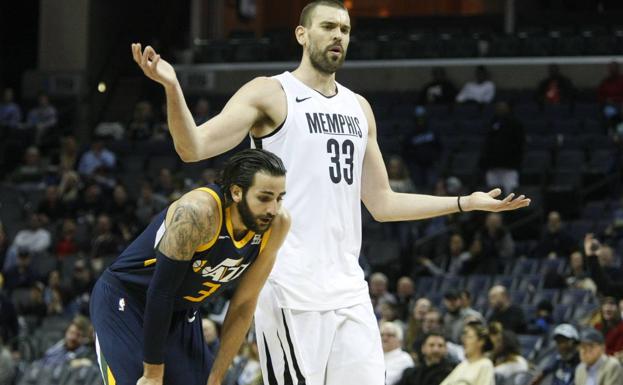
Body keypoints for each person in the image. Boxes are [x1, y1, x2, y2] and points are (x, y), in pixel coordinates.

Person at [131, 1, 530, 383]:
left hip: (349, 289)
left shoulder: (359, 107)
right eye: (328, 27)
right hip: (288, 285)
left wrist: (464, 203)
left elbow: (383, 203)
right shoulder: (270, 92)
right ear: (302, 34)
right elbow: (193, 148)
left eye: (345, 29)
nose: (338, 35)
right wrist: (171, 86)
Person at [89, 149, 290, 385]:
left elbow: (244, 304)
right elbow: (160, 292)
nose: (273, 209)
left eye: (279, 198)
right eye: (264, 198)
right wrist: (153, 373)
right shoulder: (197, 213)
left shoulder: (277, 225)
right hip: (126, 301)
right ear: (237, 192)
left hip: (180, 310)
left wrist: (216, 376)